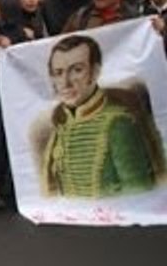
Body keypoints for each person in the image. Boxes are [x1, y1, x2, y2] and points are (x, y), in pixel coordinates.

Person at [37, 35, 166, 198]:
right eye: (58, 72)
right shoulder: (61, 126)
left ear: (95, 71)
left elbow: (139, 192)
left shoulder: (118, 123)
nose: (65, 82)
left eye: (77, 70)